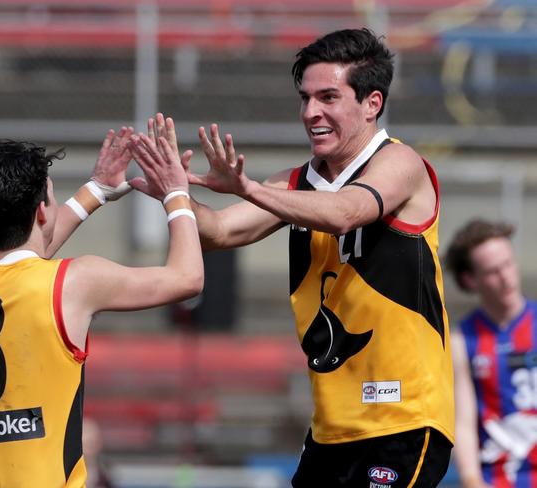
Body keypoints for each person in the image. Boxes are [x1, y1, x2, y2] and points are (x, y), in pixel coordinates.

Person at [163, 28, 454, 486]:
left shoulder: (402, 165)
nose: (311, 112)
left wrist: (250, 188)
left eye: (328, 97)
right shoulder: (297, 183)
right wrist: (173, 192)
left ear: (372, 103)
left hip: (404, 420)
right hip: (331, 430)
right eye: (305, 98)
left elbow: (346, 212)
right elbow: (217, 231)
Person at [0, 124, 203, 488]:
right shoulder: (72, 283)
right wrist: (176, 193)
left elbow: (23, 254)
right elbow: (188, 278)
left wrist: (96, 190)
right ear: (43, 210)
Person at [446, 219, 536, 488]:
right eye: (493, 271)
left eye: (508, 264)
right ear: (470, 279)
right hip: (495, 479)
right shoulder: (463, 340)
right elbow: (463, 422)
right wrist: (472, 480)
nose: (506, 277)